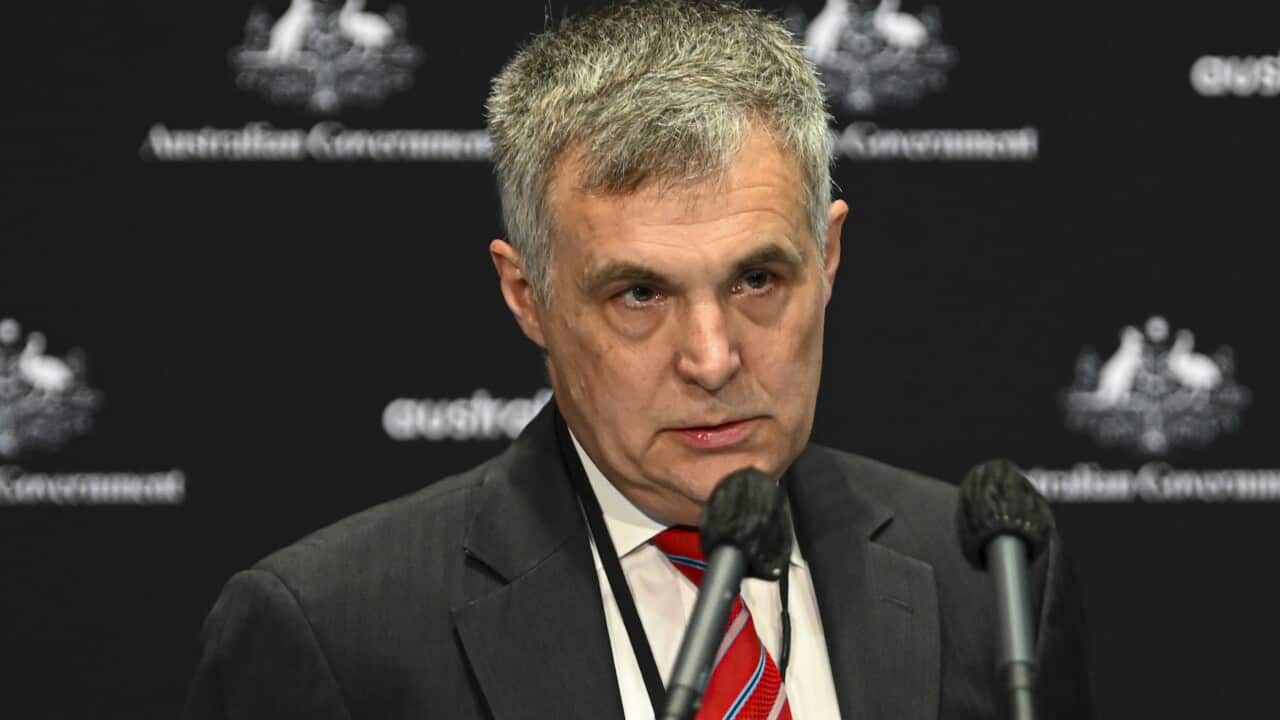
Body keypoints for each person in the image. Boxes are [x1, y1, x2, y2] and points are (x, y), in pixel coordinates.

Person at [182, 1, 1093, 718]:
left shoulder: (992, 578)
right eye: (639, 296)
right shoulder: (335, 634)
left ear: (829, 258)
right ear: (526, 296)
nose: (711, 357)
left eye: (757, 280)